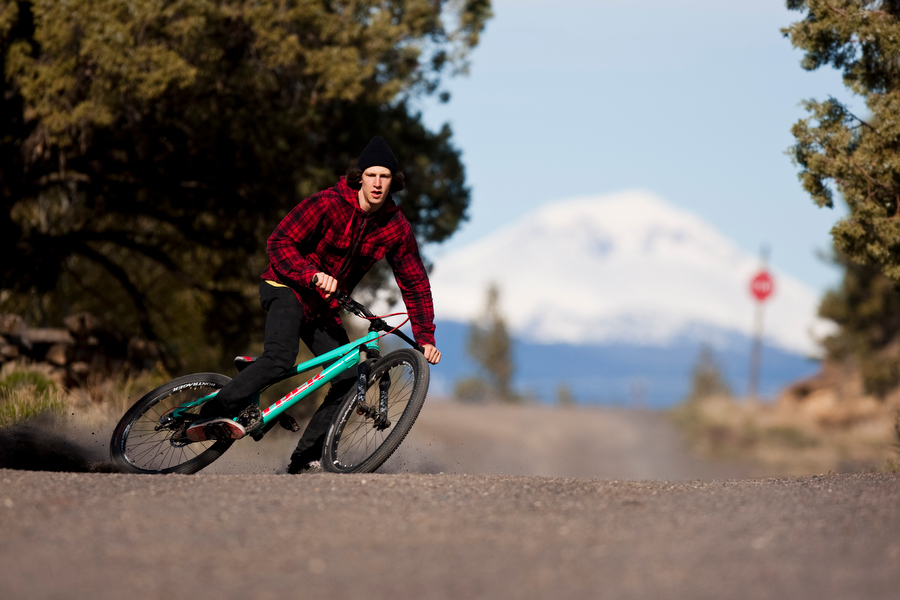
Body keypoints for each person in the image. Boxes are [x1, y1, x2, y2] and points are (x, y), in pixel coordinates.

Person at [193, 136, 441, 473]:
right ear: (360, 178)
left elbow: (415, 283)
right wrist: (311, 274)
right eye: (371, 175)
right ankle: (210, 415)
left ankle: (303, 460)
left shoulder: (395, 228)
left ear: (392, 182)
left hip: (322, 308)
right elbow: (279, 242)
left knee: (349, 378)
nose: (377, 183)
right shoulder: (327, 203)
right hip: (285, 285)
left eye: (384, 177)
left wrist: (425, 337)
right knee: (281, 357)